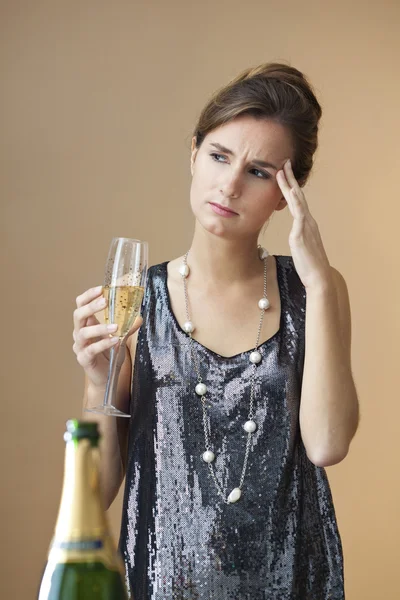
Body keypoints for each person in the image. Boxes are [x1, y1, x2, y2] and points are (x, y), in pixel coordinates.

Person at [73, 62, 359, 600]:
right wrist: (97, 382)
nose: (228, 185)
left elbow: (327, 443)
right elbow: (95, 495)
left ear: (285, 194)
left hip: (295, 581)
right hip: (163, 583)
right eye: (219, 156)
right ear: (193, 155)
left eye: (257, 171)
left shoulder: (314, 289)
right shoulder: (137, 301)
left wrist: (318, 286)